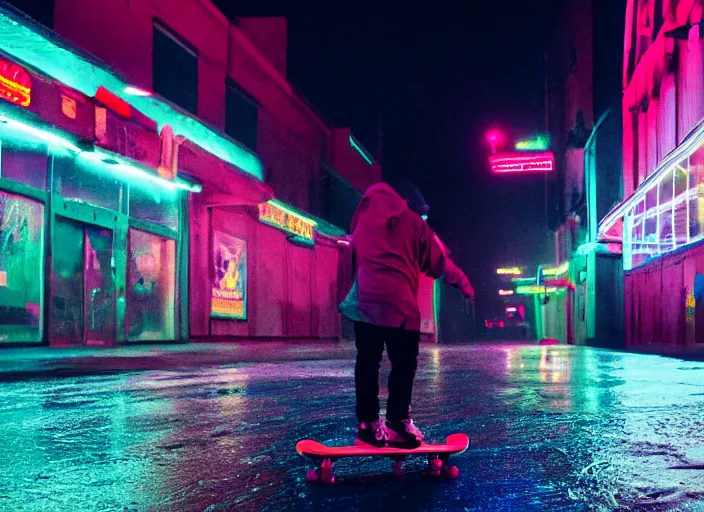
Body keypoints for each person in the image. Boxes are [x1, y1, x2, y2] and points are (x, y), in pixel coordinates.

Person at [340, 182, 475, 448]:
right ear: (409, 205)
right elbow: (436, 261)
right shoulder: (413, 224)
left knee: (367, 363)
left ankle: (368, 425)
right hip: (398, 306)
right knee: (403, 366)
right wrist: (463, 282)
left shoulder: (362, 217)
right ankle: (399, 423)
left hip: (365, 304)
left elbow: (352, 252)